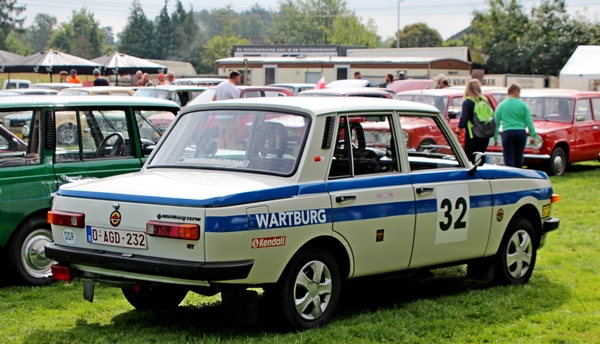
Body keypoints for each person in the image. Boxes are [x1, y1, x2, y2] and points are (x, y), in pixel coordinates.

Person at [493, 84, 538, 168]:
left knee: (508, 157)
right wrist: (533, 135)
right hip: (521, 132)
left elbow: (496, 123)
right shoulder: (523, 105)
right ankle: (518, 174)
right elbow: (529, 121)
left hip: (507, 132)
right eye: (519, 93)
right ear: (516, 92)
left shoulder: (501, 105)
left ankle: (510, 175)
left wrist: (495, 138)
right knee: (519, 157)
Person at [455, 79, 489, 163]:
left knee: (469, 160)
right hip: (484, 135)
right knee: (479, 159)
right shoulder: (484, 101)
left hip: (472, 135)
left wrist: (457, 132)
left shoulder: (467, 102)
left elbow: (463, 119)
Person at [213, 71, 241, 149]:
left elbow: (214, 99)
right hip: (230, 117)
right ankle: (229, 152)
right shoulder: (234, 89)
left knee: (221, 135)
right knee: (230, 137)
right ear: (236, 78)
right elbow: (237, 104)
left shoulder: (220, 86)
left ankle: (219, 151)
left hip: (220, 116)